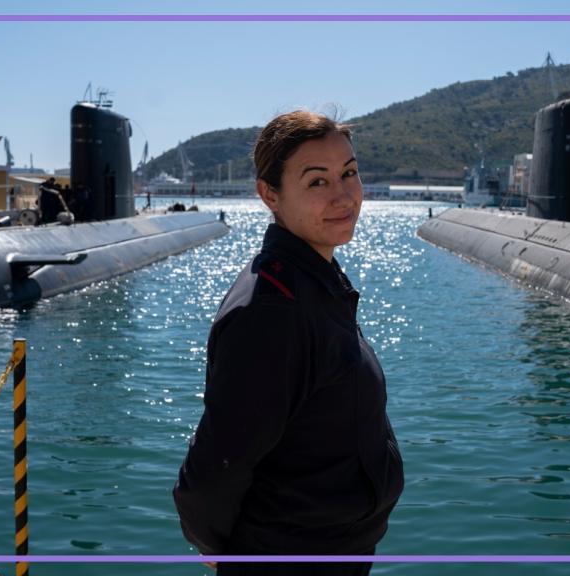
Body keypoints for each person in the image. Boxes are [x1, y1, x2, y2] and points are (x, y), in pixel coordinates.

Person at [173, 110, 404, 575]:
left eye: (350, 173)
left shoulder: (315, 280)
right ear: (269, 195)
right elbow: (212, 472)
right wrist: (223, 557)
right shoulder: (271, 311)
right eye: (317, 182)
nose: (343, 196)